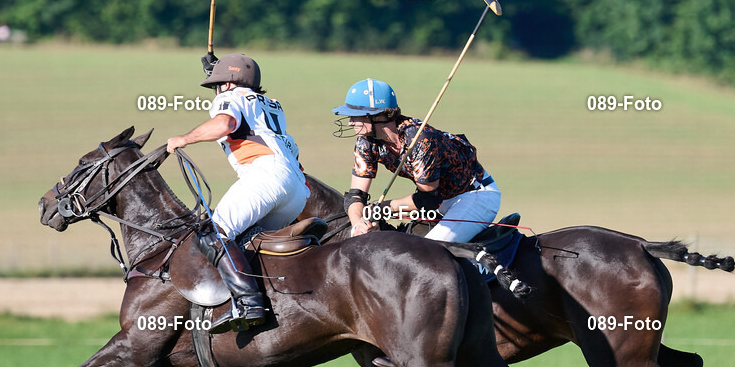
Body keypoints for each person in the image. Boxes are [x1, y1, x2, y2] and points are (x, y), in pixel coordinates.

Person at [167, 53, 309, 333]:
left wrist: (184, 139)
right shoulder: (271, 104)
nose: (215, 92)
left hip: (265, 175)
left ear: (228, 83)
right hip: (296, 188)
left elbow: (226, 124)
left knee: (214, 234)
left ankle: (249, 304)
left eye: (217, 84)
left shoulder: (229, 97)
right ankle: (259, 300)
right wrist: (219, 71)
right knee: (244, 241)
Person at [332, 78, 500, 244]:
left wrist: (382, 209)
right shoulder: (366, 141)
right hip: (440, 203)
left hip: (473, 195)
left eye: (356, 115)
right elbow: (355, 196)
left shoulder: (421, 140)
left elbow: (427, 199)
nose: (350, 122)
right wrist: (358, 224)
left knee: (430, 249)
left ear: (379, 115)